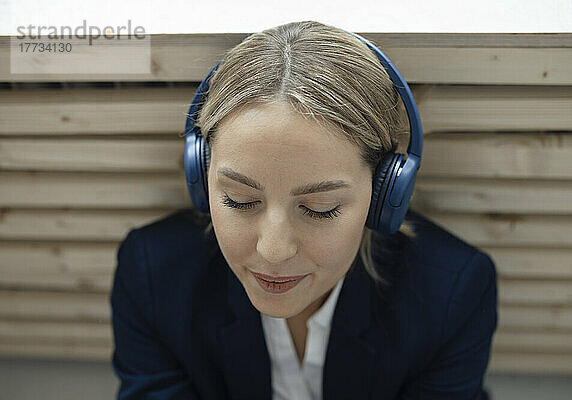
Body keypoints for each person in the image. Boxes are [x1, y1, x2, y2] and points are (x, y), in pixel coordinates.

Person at [110, 21, 498, 400]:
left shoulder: (452, 294)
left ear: (383, 194)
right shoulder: (151, 277)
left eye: (319, 208)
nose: (274, 250)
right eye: (240, 200)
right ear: (202, 176)